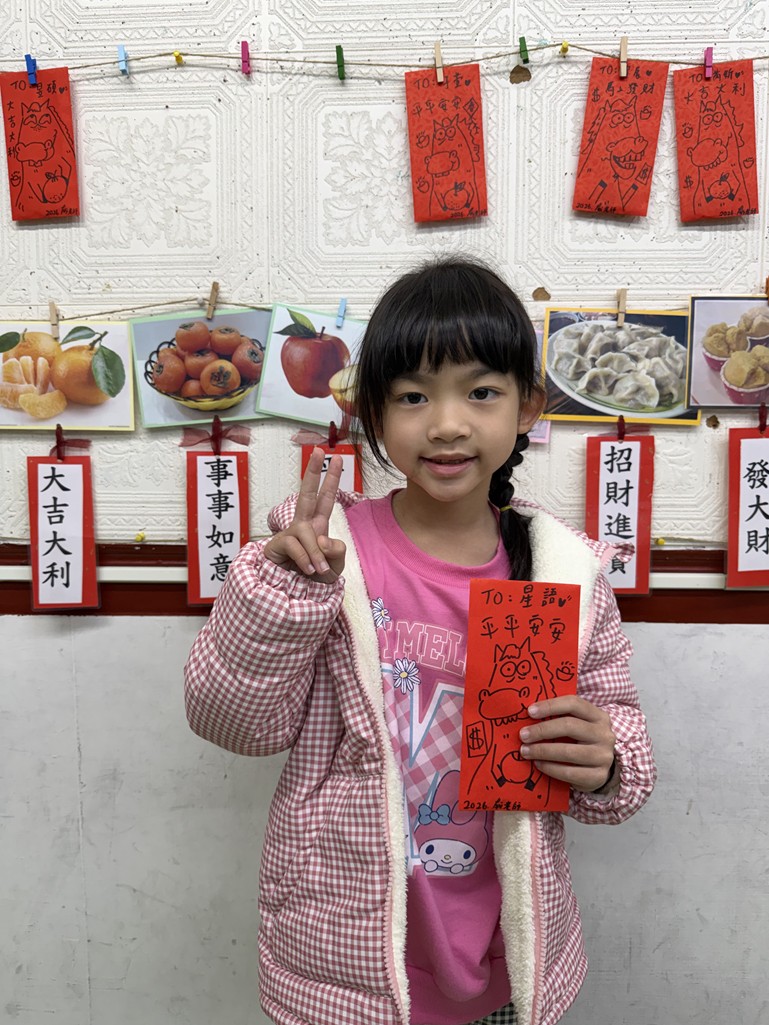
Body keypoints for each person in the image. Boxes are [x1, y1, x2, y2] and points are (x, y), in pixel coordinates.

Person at [184, 258, 656, 1025]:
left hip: (504, 958)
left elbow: (621, 735)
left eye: (481, 392)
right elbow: (234, 724)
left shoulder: (562, 569)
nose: (446, 423)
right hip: (345, 965)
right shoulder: (324, 554)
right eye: (411, 396)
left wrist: (606, 765)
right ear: (372, 412)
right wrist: (282, 596)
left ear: (528, 406)